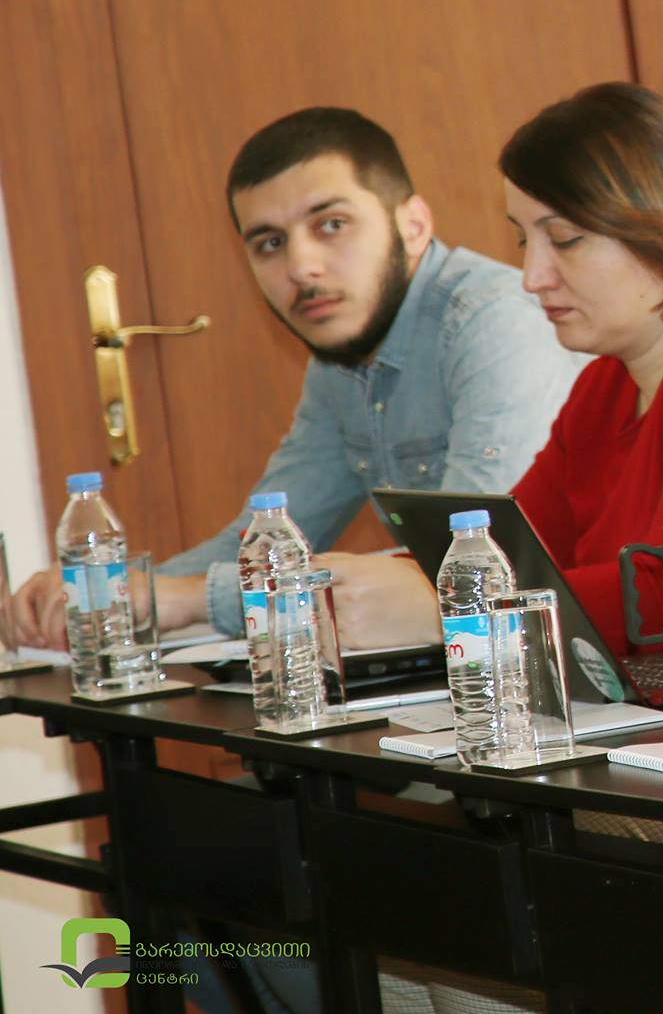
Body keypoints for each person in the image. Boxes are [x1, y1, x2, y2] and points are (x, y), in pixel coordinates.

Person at [9, 107, 578, 651]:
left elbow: (476, 560)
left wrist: (184, 599)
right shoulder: (340, 353)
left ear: (413, 226)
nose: (302, 267)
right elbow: (268, 537)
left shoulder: (494, 322)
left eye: (331, 225)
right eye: (270, 243)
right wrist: (106, 592)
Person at [314, 82, 663, 654]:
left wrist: (451, 608)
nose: (532, 276)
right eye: (524, 239)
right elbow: (506, 551)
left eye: (565, 239)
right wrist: (363, 584)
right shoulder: (605, 384)